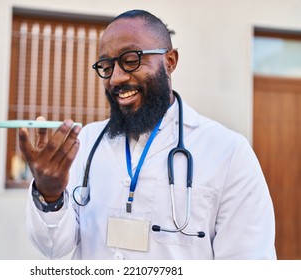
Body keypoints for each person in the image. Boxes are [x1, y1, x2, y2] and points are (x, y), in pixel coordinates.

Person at [18, 9, 276, 259]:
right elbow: (53, 247)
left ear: (170, 61)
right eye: (106, 66)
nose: (116, 78)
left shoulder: (227, 153)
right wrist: (49, 194)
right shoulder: (86, 141)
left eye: (131, 60)